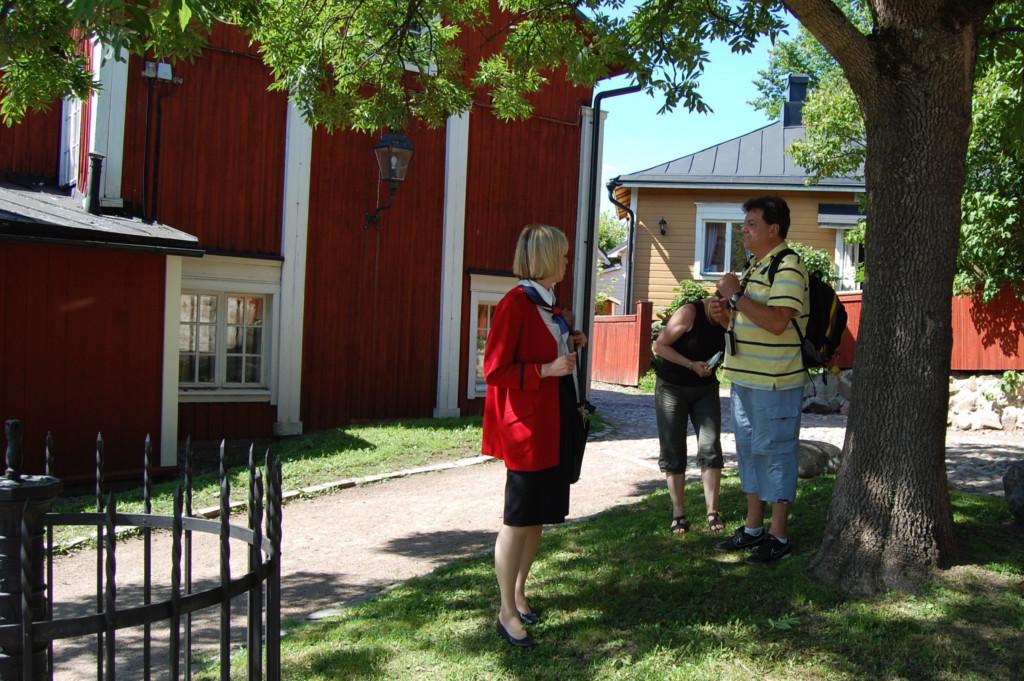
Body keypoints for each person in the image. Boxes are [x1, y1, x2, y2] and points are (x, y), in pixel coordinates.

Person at [481, 224, 587, 648]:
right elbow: (494, 370)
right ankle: (505, 611)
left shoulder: (549, 305)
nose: (566, 262)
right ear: (544, 259)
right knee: (518, 519)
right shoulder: (515, 304)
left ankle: (520, 593)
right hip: (527, 428)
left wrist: (569, 340)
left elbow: (544, 348)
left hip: (553, 419)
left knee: (539, 518)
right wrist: (546, 369)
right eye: (561, 256)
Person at [708, 195, 809, 564]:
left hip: (775, 382)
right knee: (750, 453)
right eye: (744, 225)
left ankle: (778, 535)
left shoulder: (788, 266)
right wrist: (720, 312)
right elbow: (740, 323)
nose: (744, 232)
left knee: (777, 454)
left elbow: (778, 321)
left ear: (773, 229)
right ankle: (754, 528)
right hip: (746, 379)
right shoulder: (755, 268)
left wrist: (735, 293)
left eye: (751, 225)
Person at [652, 295, 727, 534]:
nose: (725, 320)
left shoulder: (729, 321)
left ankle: (712, 512)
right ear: (713, 305)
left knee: (710, 447)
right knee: (673, 448)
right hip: (672, 387)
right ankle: (678, 514)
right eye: (721, 315)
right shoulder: (689, 313)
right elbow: (659, 346)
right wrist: (691, 364)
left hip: (705, 388)